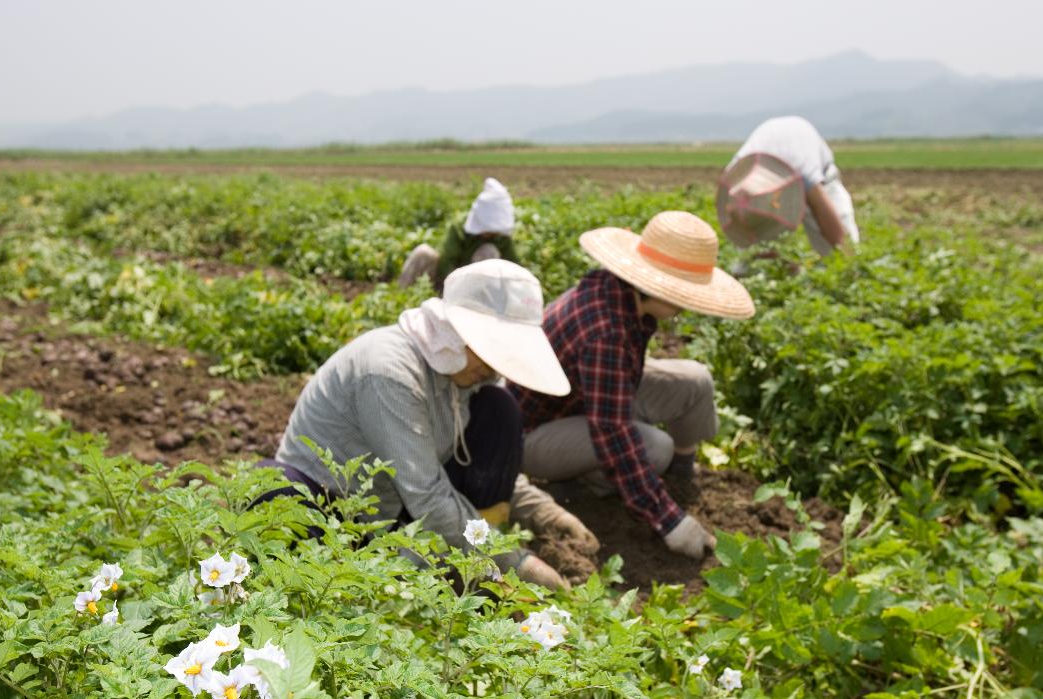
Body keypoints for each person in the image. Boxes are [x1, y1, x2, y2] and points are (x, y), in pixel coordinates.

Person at [271, 258, 596, 589]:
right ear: (456, 332)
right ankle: (465, 565)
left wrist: (543, 512)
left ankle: (468, 554)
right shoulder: (389, 371)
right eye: (492, 350)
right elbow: (425, 493)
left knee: (499, 409)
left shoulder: (466, 370)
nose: (495, 369)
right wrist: (515, 564)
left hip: (395, 506)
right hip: (333, 507)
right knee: (282, 499)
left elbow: (433, 478)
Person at [509, 210, 755, 560]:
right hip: (533, 435)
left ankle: (681, 477)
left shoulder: (620, 295)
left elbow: (616, 387)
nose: (688, 307)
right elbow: (612, 432)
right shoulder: (606, 330)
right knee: (655, 448)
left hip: (581, 401)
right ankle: (583, 487)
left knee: (694, 381)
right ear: (661, 290)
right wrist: (670, 522)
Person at [716, 116, 858, 257]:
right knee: (756, 254)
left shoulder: (803, 170)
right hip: (777, 165)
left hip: (822, 176)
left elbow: (830, 223)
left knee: (839, 249)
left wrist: (846, 261)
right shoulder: (736, 174)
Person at [398, 178, 520, 292]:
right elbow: (447, 261)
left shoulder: (502, 237)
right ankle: (401, 295)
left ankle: (479, 303)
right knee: (423, 252)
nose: (491, 233)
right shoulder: (459, 229)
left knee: (489, 252)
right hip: (449, 279)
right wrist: (450, 289)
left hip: (472, 289)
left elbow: (514, 266)